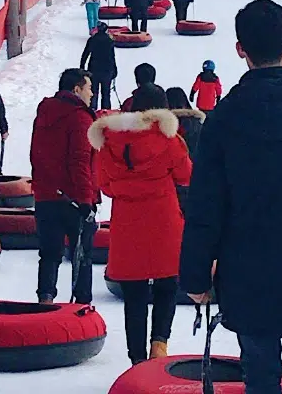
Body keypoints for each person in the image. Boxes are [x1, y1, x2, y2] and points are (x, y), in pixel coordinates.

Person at [180, 0, 282, 394]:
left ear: (240, 49)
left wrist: (194, 274)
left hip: (247, 268)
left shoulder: (222, 119)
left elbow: (204, 204)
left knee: (259, 373)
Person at [93, 84, 192, 364]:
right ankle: (159, 346)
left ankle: (136, 359)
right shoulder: (168, 139)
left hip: (127, 224)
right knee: (167, 286)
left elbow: (105, 185)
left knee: (134, 295)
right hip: (164, 220)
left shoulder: (110, 141)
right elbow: (186, 175)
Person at [30, 68, 99, 304]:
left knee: (49, 254)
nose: (92, 93)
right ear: (77, 89)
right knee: (82, 256)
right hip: (73, 199)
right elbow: (80, 160)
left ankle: (45, 300)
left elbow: (36, 154)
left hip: (46, 195)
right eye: (89, 88)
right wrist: (86, 199)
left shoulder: (44, 113)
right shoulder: (80, 117)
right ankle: (81, 307)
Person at [81, 24, 117, 111]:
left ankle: (92, 110)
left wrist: (82, 67)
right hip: (107, 70)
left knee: (93, 92)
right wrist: (115, 70)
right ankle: (106, 112)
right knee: (106, 93)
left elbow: (85, 55)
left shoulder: (92, 40)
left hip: (93, 69)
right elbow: (112, 57)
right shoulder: (109, 41)